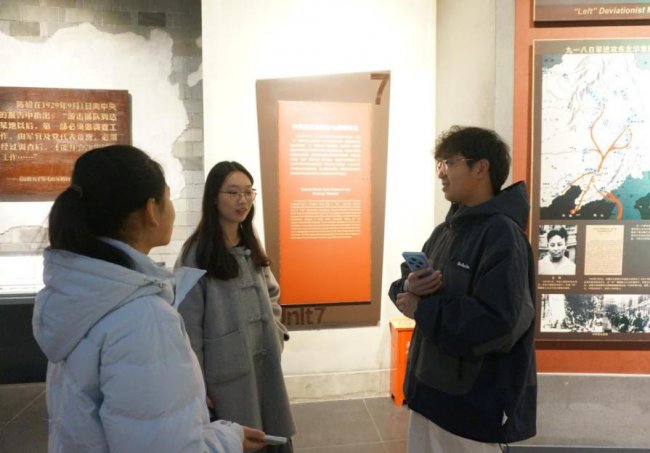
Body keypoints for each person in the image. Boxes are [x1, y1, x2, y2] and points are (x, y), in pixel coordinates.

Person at [32, 145, 267, 453]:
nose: (242, 200)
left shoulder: (83, 295)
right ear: (151, 210)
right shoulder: (143, 317)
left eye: (248, 192)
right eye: (167, 197)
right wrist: (227, 438)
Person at [388, 126, 537, 452]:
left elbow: (499, 322)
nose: (441, 173)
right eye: (439, 164)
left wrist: (422, 308)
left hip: (470, 407)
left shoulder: (502, 236)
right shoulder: (446, 230)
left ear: (481, 168)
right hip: (428, 395)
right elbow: (405, 287)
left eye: (449, 163)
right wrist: (409, 285)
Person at [177, 161, 296, 452]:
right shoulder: (197, 252)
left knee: (272, 432)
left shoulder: (250, 242)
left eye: (248, 192)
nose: (242, 200)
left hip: (264, 359)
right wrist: (197, 384)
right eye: (232, 192)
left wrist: (275, 332)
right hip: (224, 369)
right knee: (238, 437)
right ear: (213, 197)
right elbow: (187, 325)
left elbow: (272, 293)